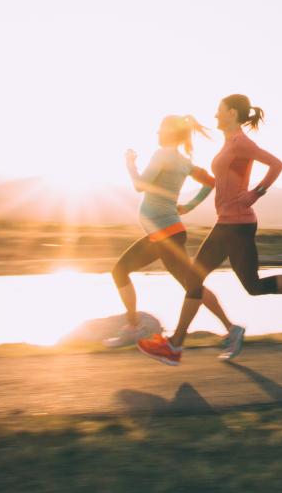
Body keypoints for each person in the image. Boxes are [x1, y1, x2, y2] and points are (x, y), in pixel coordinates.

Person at [138, 95, 282, 365]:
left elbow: (277, 164)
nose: (215, 116)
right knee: (252, 285)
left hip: (237, 224)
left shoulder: (242, 143)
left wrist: (256, 193)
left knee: (197, 279)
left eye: (219, 111)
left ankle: (175, 345)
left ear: (232, 113)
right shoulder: (228, 143)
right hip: (229, 222)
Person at [105, 114, 245, 359]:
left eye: (159, 129)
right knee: (186, 284)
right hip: (163, 234)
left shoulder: (163, 156)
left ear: (168, 133)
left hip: (166, 235)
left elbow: (140, 186)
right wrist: (189, 206)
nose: (157, 134)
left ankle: (230, 329)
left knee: (189, 286)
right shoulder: (183, 161)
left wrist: (130, 164)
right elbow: (211, 182)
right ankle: (134, 326)